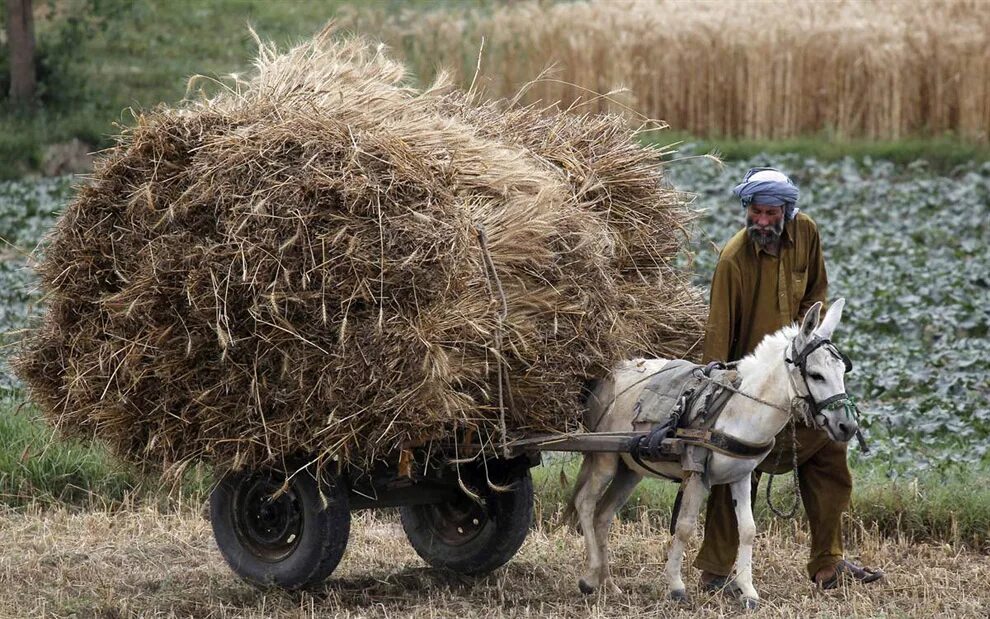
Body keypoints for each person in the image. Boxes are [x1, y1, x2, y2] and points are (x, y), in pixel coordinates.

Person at [694, 168, 884, 591]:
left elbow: (817, 293)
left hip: (799, 377)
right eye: (755, 212)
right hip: (755, 386)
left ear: (787, 211)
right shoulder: (733, 259)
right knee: (735, 467)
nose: (761, 221)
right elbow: (718, 329)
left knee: (831, 454)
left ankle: (827, 563)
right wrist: (718, 388)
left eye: (769, 213)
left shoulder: (808, 235)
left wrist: (809, 350)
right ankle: (716, 572)